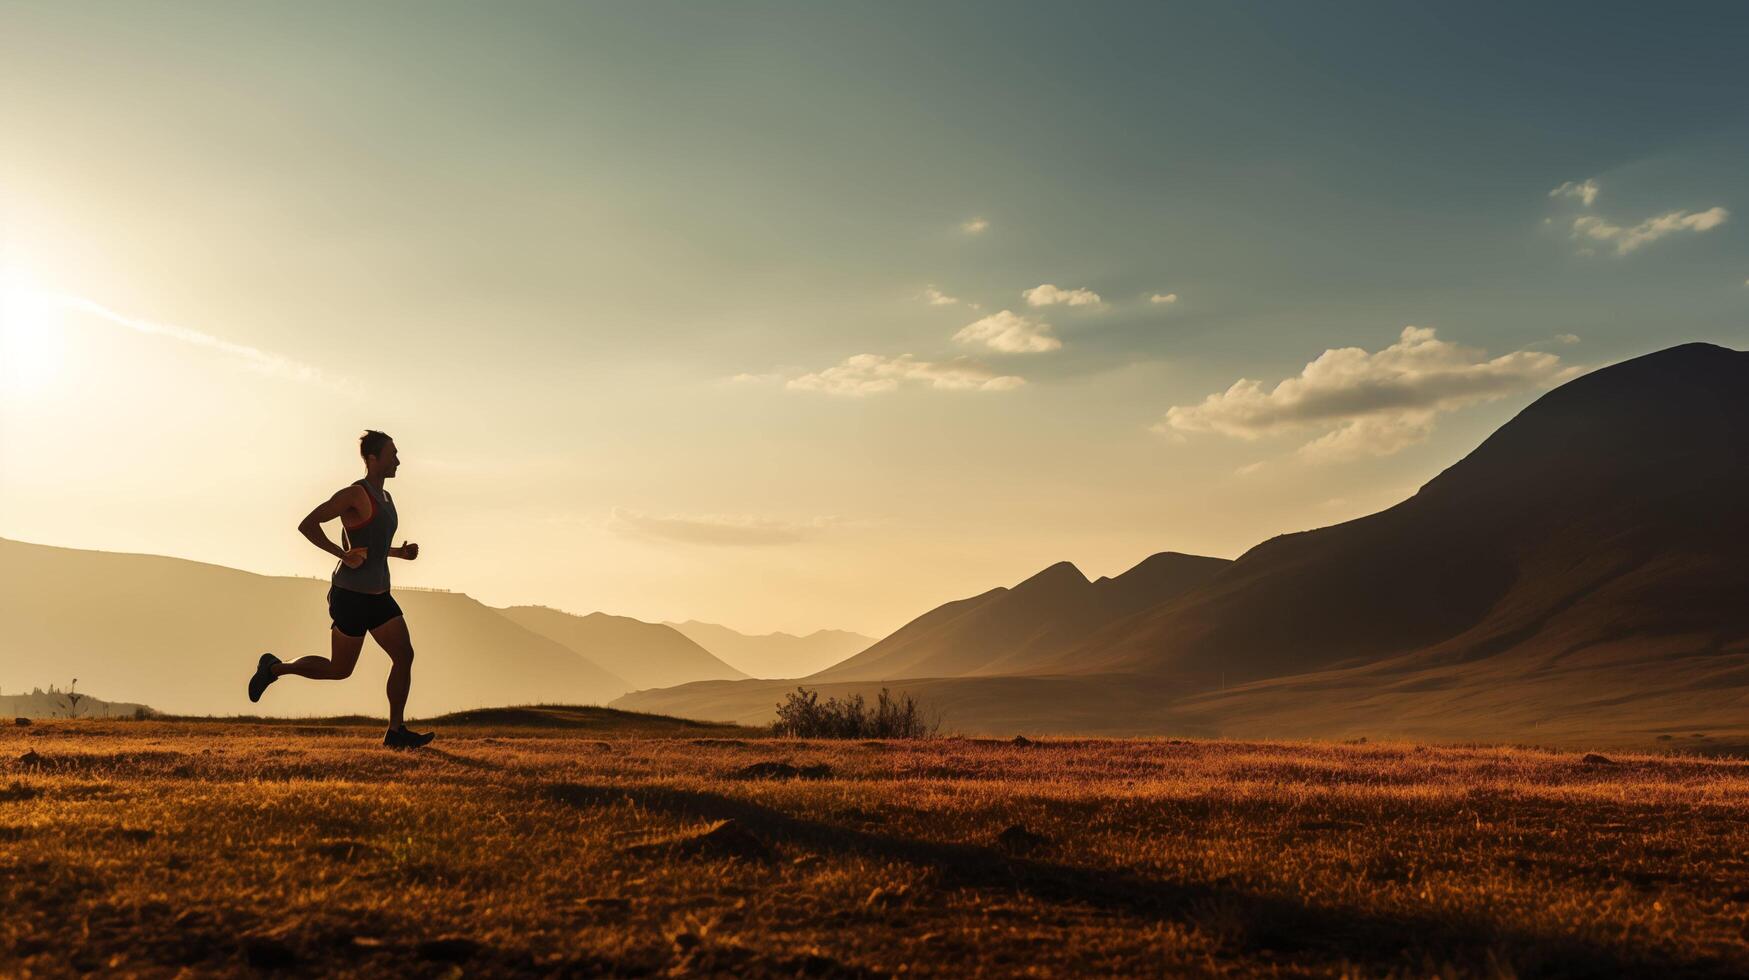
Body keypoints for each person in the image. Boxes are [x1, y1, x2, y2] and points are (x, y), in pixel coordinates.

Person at [247, 430, 434, 749]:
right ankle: (274, 667)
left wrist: (397, 553)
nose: (398, 461)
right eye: (393, 454)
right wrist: (341, 554)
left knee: (404, 655)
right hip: (351, 596)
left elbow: (369, 544)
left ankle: (395, 732)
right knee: (339, 669)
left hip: (379, 595)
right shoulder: (354, 494)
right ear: (373, 458)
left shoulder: (387, 499)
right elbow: (308, 524)